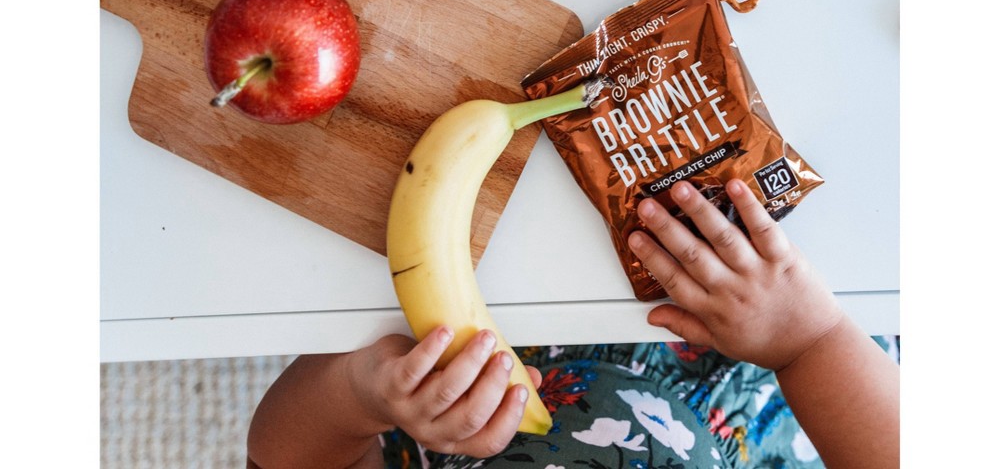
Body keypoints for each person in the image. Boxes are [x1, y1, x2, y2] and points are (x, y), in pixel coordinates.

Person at [246, 178, 900, 468]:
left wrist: (366, 391)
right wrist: (807, 340)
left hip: (481, 353)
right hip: (784, 364)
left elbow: (284, 457)